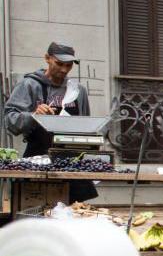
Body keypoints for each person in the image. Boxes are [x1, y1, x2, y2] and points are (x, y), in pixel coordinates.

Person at [4, 42, 96, 202]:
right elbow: (10, 121)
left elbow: (85, 126)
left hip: (71, 163)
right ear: (47, 58)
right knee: (36, 212)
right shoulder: (30, 85)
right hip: (38, 159)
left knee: (72, 216)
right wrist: (33, 115)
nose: (64, 70)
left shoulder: (78, 90)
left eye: (68, 65)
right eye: (59, 64)